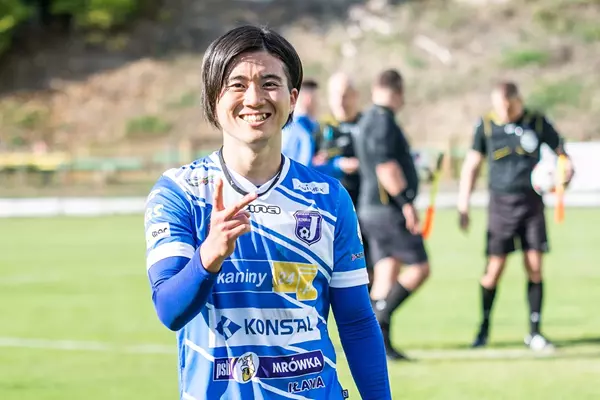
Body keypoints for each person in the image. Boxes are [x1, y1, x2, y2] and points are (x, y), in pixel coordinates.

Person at [143, 25, 391, 400]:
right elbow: (170, 310)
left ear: (292, 98)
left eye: (269, 83)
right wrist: (209, 256)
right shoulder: (180, 193)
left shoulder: (328, 198)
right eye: (237, 84)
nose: (254, 98)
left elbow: (356, 320)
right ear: (212, 98)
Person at [457, 81, 574, 351]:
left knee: (534, 266)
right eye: (498, 107)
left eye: (507, 107)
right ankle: (483, 329)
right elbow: (472, 165)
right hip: (500, 206)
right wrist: (464, 204)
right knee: (494, 270)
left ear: (517, 101)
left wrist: (565, 174)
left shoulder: (537, 122)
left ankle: (535, 332)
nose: (503, 113)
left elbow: (563, 155)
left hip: (532, 205)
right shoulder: (486, 125)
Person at [354, 69, 431, 361]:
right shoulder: (383, 121)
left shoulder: (365, 120)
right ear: (398, 92)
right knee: (420, 268)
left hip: (369, 208)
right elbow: (386, 167)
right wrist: (406, 202)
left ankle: (378, 345)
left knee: (386, 270)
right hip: (387, 209)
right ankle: (380, 319)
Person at [315, 71, 373, 288]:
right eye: (336, 95)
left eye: (346, 95)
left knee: (369, 273)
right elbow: (307, 167)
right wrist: (336, 164)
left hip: (367, 211)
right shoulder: (321, 129)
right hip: (332, 215)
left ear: (356, 96)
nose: (341, 101)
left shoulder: (368, 126)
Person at [281, 79, 320, 166]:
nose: (318, 103)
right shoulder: (301, 132)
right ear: (308, 99)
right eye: (316, 99)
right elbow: (304, 168)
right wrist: (336, 166)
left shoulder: (310, 127)